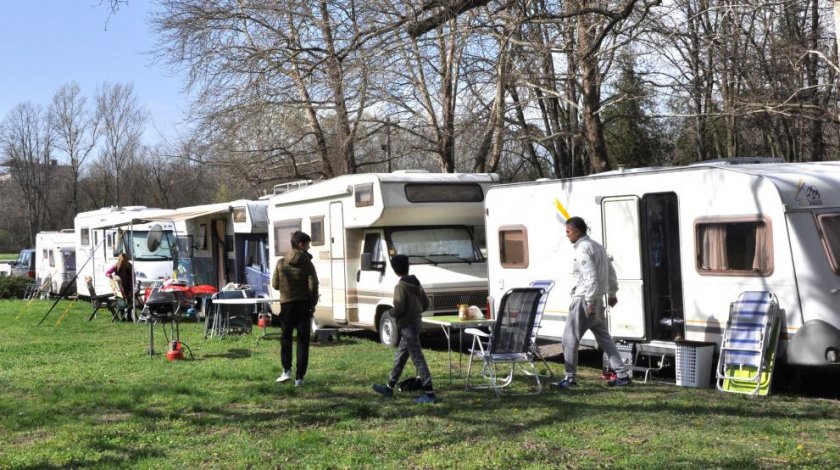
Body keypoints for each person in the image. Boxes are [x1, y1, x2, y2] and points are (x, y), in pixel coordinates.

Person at [552, 216, 632, 389]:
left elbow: (590, 277)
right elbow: (610, 272)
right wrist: (612, 292)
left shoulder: (583, 248)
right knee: (604, 338)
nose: (566, 235)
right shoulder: (598, 246)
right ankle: (622, 375)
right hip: (598, 300)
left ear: (577, 231)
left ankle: (570, 378)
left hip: (584, 300)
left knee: (569, 338)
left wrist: (588, 301)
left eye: (568, 231)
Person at [372, 254, 437, 404]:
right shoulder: (416, 283)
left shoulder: (400, 286)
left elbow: (399, 307)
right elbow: (426, 304)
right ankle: (389, 387)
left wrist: (391, 313)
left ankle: (429, 392)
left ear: (395, 269)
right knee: (400, 356)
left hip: (407, 326)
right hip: (416, 323)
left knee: (417, 358)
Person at [272, 231, 319, 388]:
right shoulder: (308, 263)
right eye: (307, 244)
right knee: (302, 341)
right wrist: (312, 304)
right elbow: (314, 285)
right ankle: (300, 378)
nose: (309, 247)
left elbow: (275, 284)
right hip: (303, 305)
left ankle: (286, 370)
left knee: (286, 338)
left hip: (286, 305)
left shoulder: (280, 263)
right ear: (301, 245)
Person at [106, 253, 134, 320]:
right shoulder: (116, 266)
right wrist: (111, 276)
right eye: (122, 261)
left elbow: (132, 277)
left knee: (129, 300)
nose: (124, 262)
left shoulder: (130, 266)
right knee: (121, 301)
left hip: (128, 285)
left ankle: (129, 317)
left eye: (125, 260)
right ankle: (122, 316)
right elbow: (107, 273)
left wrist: (132, 287)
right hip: (119, 286)